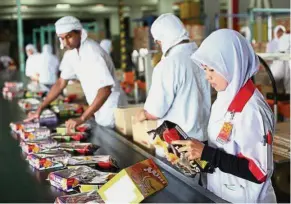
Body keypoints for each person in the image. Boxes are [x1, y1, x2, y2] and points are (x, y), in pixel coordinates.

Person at [172, 29, 276, 203]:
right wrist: (197, 150)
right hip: (224, 193)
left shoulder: (251, 110)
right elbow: (226, 145)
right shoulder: (225, 98)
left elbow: (258, 171)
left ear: (231, 65)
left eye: (212, 69)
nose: (207, 77)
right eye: (205, 69)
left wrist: (207, 153)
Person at [25, 16, 127, 129]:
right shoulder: (71, 54)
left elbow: (105, 89)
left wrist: (82, 118)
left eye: (69, 36)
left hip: (111, 106)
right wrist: (41, 108)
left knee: (113, 141)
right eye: (62, 38)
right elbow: (61, 83)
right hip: (97, 105)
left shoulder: (92, 51)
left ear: (79, 33)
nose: (66, 42)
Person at [136, 13, 211, 142]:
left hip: (178, 145)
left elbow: (155, 112)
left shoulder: (168, 65)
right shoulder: (201, 57)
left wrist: (142, 115)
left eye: (158, 42)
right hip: (203, 142)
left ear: (161, 40)